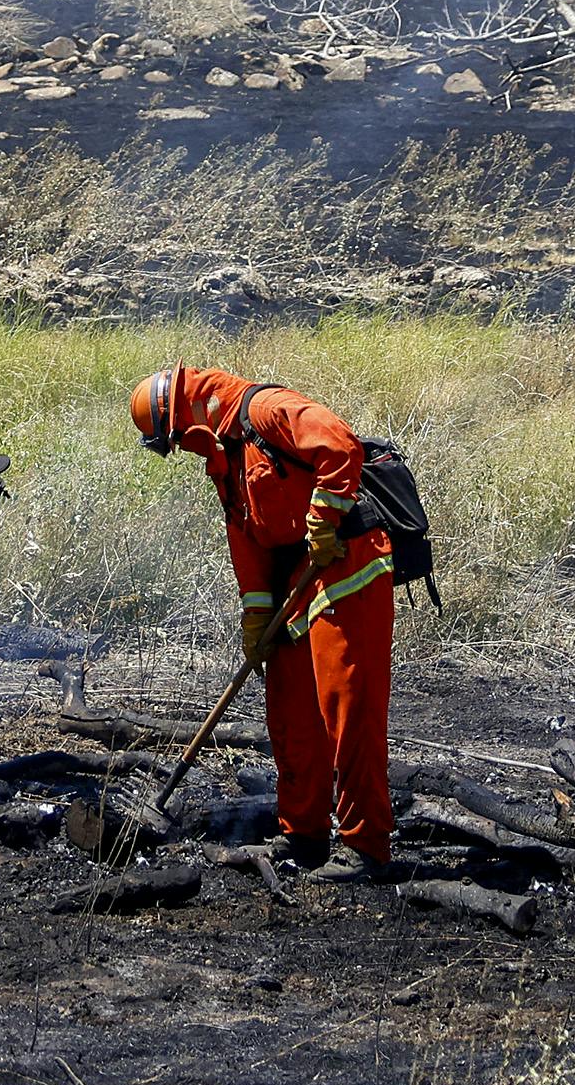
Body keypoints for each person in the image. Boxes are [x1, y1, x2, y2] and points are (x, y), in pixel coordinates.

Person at [129, 363, 398, 880]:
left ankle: (367, 848)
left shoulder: (265, 411)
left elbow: (340, 446)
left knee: (347, 705)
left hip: (347, 559)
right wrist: (256, 618)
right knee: (290, 709)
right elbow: (247, 539)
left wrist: (323, 519)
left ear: (185, 418)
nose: (179, 450)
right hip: (298, 579)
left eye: (173, 441)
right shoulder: (225, 456)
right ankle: (304, 836)